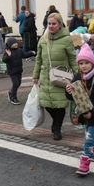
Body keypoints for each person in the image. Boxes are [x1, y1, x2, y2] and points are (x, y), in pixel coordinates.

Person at [65, 43, 94, 175]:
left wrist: (93, 112)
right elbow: (72, 97)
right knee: (91, 134)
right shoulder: (77, 77)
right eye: (80, 63)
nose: (83, 66)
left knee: (89, 136)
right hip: (84, 112)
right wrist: (68, 91)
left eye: (86, 63)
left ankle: (85, 162)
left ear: (92, 63)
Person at [32, 12, 78, 140]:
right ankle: (56, 124)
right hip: (46, 78)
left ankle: (57, 128)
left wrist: (78, 76)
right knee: (46, 104)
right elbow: (38, 59)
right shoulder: (43, 39)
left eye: (54, 23)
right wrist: (35, 75)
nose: (51, 26)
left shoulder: (66, 39)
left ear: (59, 25)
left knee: (60, 105)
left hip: (61, 78)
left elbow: (73, 58)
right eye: (49, 24)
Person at [3, 37, 35, 105]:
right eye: (14, 44)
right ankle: (13, 97)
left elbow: (24, 55)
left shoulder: (19, 50)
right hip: (12, 71)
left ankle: (11, 93)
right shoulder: (8, 51)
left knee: (19, 83)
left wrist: (31, 53)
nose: (16, 45)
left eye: (16, 44)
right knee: (16, 83)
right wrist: (8, 56)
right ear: (10, 45)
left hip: (19, 70)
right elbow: (4, 60)